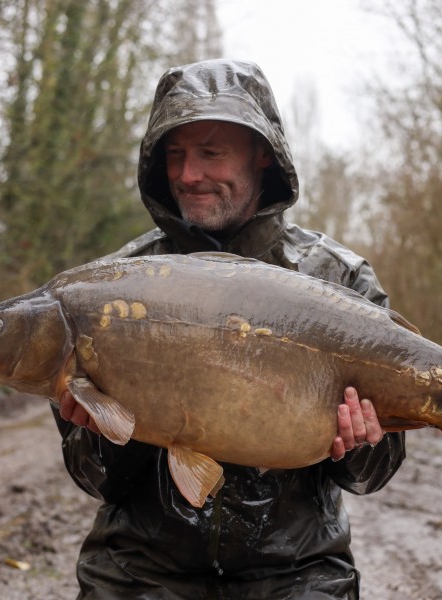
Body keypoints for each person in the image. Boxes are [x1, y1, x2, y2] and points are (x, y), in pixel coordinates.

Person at [53, 58, 407, 600]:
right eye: (175, 154)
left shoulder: (338, 279)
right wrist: (105, 435)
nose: (189, 174)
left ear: (263, 153)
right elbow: (95, 480)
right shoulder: (110, 289)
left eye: (211, 153)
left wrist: (359, 445)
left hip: (296, 572)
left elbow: (374, 472)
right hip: (140, 571)